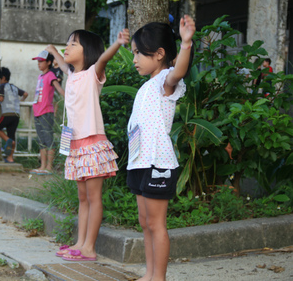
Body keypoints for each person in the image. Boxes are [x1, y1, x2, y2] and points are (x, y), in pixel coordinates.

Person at [45, 28, 129, 261]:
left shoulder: (93, 74)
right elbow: (63, 64)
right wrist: (52, 49)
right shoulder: (71, 75)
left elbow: (103, 59)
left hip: (93, 145)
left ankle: (89, 248)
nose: (67, 47)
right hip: (75, 147)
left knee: (94, 198)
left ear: (87, 51)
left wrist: (117, 43)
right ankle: (80, 243)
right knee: (82, 199)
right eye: (67, 43)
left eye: (73, 44)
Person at [126, 15, 196, 281]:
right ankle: (150, 274)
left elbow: (178, 71)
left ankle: (159, 278)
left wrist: (186, 43)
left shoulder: (166, 80)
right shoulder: (146, 86)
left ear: (159, 54)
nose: (134, 59)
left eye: (138, 53)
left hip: (158, 163)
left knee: (156, 224)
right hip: (139, 162)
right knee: (145, 223)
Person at [30, 50, 65, 175]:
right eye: (38, 61)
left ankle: (49, 166)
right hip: (37, 112)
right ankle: (43, 166)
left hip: (46, 112)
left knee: (48, 139)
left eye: (41, 61)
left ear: (49, 62)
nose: (39, 64)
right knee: (41, 140)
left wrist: (70, 98)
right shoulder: (40, 76)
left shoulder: (51, 75)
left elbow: (59, 89)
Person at [0, 67, 28, 163]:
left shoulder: (1, 87)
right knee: (12, 134)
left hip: (7, 113)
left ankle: (8, 140)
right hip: (16, 114)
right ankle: (10, 158)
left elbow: (1, 99)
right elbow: (25, 94)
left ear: (2, 78)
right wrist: (20, 101)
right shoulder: (14, 87)